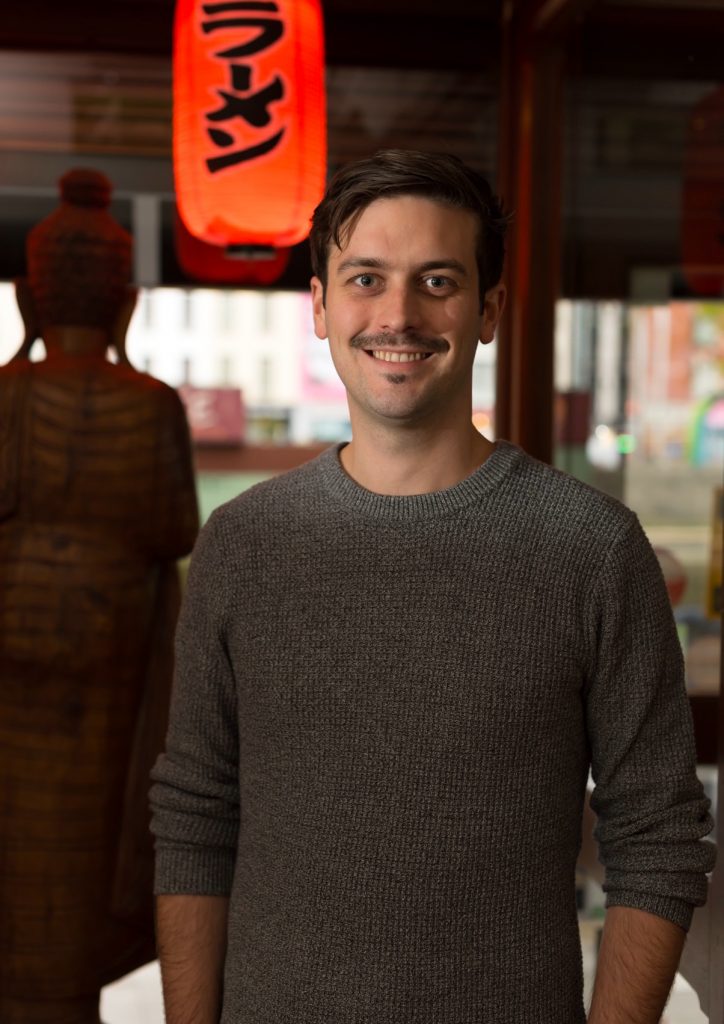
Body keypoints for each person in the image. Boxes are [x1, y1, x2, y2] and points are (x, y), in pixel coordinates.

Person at [150, 149, 715, 1024]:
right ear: (321, 306)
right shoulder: (244, 544)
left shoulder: (592, 550)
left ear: (488, 310)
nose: (398, 315)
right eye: (365, 278)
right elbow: (194, 819)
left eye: (438, 280)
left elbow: (659, 838)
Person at [0, 167, 199, 1024]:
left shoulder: (4, 396)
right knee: (82, 854)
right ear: (126, 305)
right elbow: (175, 528)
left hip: (13, 645)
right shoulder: (150, 406)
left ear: (28, 300)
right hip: (109, 653)